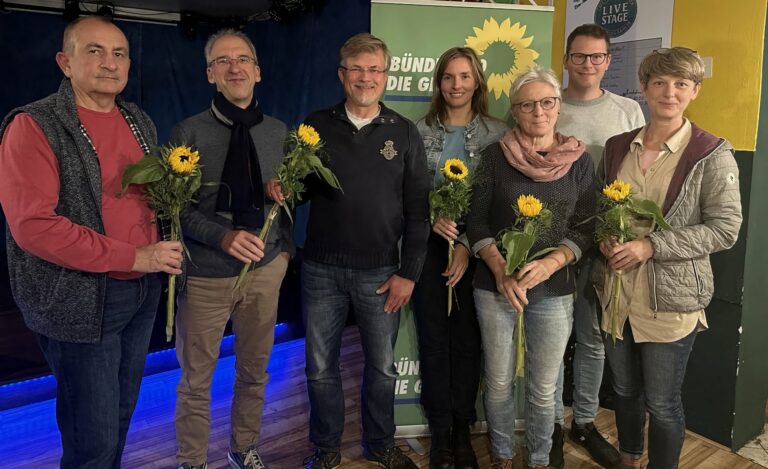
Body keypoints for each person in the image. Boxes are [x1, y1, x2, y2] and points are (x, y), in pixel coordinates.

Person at [0, 15, 183, 469]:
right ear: (65, 62)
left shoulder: (137, 119)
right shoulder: (34, 124)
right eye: (95, 51)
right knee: (92, 439)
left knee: (120, 416)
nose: (109, 63)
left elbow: (151, 199)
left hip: (142, 291)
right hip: (81, 298)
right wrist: (134, 256)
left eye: (119, 53)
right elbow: (34, 226)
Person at [267, 33, 430, 469]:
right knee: (320, 368)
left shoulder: (404, 132)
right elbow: (300, 192)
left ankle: (380, 444)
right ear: (342, 75)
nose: (365, 77)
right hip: (321, 270)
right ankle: (325, 449)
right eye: (357, 69)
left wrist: (409, 273)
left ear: (385, 76)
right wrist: (284, 189)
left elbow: (419, 212)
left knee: (383, 369)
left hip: (382, 273)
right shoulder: (316, 125)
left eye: (374, 69)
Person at [597, 47, 741, 469]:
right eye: (659, 82)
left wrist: (652, 246)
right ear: (643, 88)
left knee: (662, 403)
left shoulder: (711, 153)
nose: (669, 92)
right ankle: (629, 460)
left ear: (695, 90)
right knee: (624, 391)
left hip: (670, 303)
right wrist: (605, 238)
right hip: (617, 294)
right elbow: (604, 209)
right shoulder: (617, 147)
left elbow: (725, 228)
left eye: (681, 84)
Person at [170, 30, 290, 469]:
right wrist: (221, 237)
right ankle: (192, 461)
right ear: (210, 74)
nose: (234, 67)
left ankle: (243, 447)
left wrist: (282, 251)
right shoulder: (188, 132)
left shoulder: (278, 131)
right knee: (196, 379)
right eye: (223, 61)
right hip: (206, 275)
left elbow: (289, 196)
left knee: (254, 371)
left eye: (242, 59)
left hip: (264, 271)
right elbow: (176, 211)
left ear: (257, 71)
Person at [466, 67, 596, 469]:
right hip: (496, 285)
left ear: (558, 106)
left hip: (553, 289)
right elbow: (476, 221)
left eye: (547, 102)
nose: (538, 112)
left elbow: (586, 226)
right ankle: (503, 454)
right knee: (499, 381)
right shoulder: (495, 156)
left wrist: (552, 262)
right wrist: (501, 269)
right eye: (527, 105)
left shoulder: (580, 161)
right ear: (515, 110)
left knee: (543, 387)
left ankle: (539, 458)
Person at [552, 23, 645, 469]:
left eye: (596, 57)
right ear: (566, 60)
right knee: (551, 338)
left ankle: (584, 422)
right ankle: (551, 422)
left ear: (608, 61)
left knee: (591, 338)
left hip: (603, 242)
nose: (587, 64)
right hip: (550, 241)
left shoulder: (629, 111)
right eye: (579, 56)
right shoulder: (548, 105)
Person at [413, 46, 507, 469]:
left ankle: (462, 430)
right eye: (449, 77)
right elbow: (406, 193)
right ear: (439, 82)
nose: (456, 85)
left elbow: (500, 199)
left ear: (477, 82)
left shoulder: (497, 133)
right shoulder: (416, 131)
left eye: (465, 76)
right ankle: (440, 432)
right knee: (433, 341)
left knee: (468, 343)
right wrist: (430, 219)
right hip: (429, 247)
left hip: (480, 249)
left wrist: (468, 245)